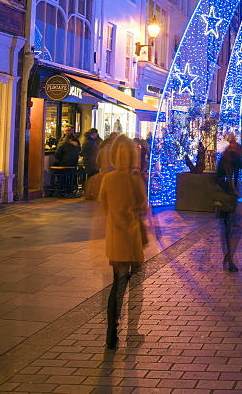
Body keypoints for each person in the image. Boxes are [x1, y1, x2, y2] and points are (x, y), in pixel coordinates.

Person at [99, 135, 148, 349]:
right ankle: (132, 331)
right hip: (133, 241)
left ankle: (112, 334)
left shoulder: (107, 179)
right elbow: (143, 207)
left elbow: (104, 207)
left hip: (116, 242)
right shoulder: (135, 178)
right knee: (135, 288)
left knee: (117, 287)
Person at [216, 134, 242, 272]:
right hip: (226, 198)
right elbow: (218, 178)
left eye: (235, 144)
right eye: (232, 144)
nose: (234, 146)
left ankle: (229, 257)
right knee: (229, 229)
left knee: (231, 229)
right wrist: (228, 189)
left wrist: (241, 154)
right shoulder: (225, 159)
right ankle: (229, 258)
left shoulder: (233, 158)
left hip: (231, 197)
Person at [52, 132, 81, 196]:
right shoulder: (76, 143)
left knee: (56, 166)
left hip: (64, 164)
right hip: (74, 164)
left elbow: (57, 155)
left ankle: (60, 186)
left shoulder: (63, 143)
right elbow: (79, 151)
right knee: (70, 173)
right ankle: (70, 188)